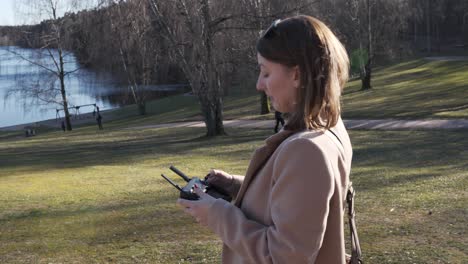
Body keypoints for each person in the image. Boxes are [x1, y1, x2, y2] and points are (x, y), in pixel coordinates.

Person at [177, 15, 353, 263]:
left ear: (297, 75)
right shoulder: (330, 126)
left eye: (266, 73)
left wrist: (216, 215)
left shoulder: (307, 149)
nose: (259, 84)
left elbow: (284, 257)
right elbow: (302, 201)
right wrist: (239, 185)